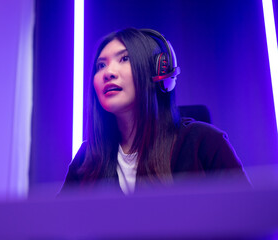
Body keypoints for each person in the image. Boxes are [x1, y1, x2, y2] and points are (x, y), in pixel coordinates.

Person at [60, 27, 250, 196]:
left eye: (125, 58)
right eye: (101, 65)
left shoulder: (205, 142)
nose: (108, 72)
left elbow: (247, 223)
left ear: (158, 73)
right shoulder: (87, 157)